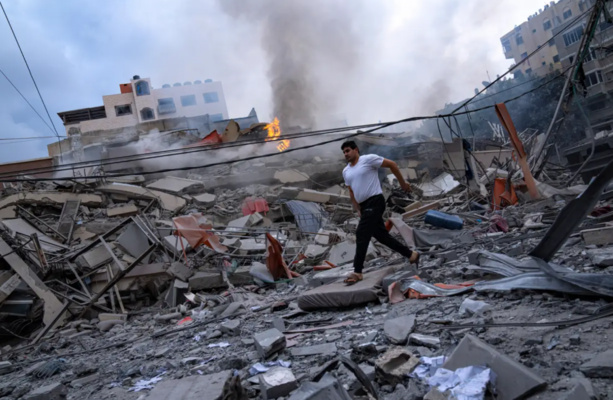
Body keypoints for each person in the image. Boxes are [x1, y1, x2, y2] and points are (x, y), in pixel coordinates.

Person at [341, 140, 419, 285]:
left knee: (361, 233)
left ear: (356, 150)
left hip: (375, 201)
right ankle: (411, 255)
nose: (346, 154)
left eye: (348, 150)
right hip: (364, 206)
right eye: (344, 152)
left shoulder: (368, 159)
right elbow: (351, 191)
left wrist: (402, 183)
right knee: (381, 236)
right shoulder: (346, 171)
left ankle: (357, 271)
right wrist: (357, 208)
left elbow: (392, 164)